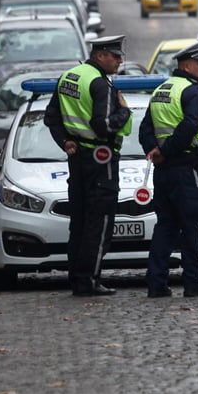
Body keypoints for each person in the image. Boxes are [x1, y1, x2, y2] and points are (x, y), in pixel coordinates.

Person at [44, 35, 132, 296]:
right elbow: (102, 126)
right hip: (100, 160)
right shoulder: (99, 83)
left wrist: (65, 141)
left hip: (78, 158)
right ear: (101, 55)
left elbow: (51, 117)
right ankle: (89, 280)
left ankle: (77, 278)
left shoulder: (69, 77)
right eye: (115, 56)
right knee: (100, 223)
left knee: (80, 222)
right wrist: (125, 112)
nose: (119, 61)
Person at [140, 40, 198, 299]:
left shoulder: (161, 89)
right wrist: (167, 150)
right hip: (187, 168)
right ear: (186, 65)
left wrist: (154, 151)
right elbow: (191, 126)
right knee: (193, 226)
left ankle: (156, 284)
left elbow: (145, 129)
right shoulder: (192, 91)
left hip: (164, 172)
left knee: (165, 227)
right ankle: (193, 284)